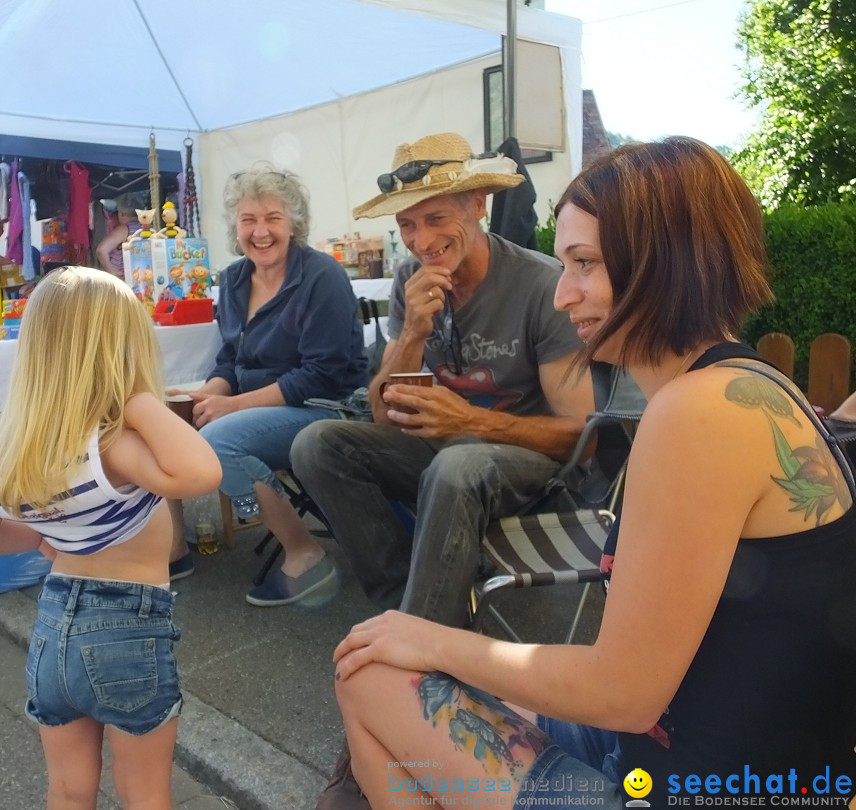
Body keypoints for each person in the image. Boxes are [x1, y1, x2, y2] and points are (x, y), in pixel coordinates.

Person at [329, 137, 856, 807]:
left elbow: (623, 693)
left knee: (371, 674)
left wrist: (431, 637)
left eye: (584, 264)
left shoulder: (699, 414)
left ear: (662, 265)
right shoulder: (746, 383)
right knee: (380, 667)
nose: (561, 295)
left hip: (685, 787)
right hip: (680, 751)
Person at [292, 132, 593, 808]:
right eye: (407, 225)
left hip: (525, 463)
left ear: (478, 205)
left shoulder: (540, 285)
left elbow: (580, 437)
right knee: (317, 445)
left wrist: (475, 422)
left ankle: (402, 684)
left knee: (457, 464)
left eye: (436, 218)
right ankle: (418, 616)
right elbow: (380, 414)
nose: (421, 239)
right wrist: (410, 337)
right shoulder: (410, 284)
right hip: (447, 452)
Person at [0, 267, 222, 810]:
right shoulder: (115, 442)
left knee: (70, 790)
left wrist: (36, 540)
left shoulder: (23, 449)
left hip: (53, 630)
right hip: (127, 629)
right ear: (124, 350)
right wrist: (139, 399)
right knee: (144, 792)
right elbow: (202, 473)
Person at [166, 165, 368, 607]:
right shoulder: (234, 279)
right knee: (161, 418)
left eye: (273, 218)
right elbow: (231, 358)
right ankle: (174, 550)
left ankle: (305, 553)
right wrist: (211, 393)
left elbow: (321, 374)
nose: (261, 232)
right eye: (248, 220)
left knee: (221, 440)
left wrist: (234, 407)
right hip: (262, 408)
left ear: (293, 223)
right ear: (234, 226)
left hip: (327, 407)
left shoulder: (322, 277)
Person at [95, 194, 140, 280]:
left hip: (123, 279)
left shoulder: (125, 229)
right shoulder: (149, 228)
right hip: (141, 276)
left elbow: (101, 250)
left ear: (122, 214)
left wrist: (111, 271)